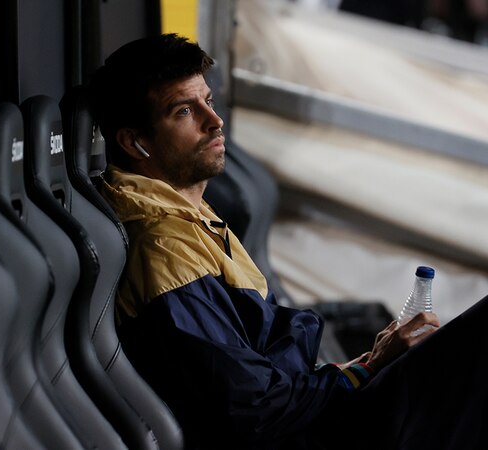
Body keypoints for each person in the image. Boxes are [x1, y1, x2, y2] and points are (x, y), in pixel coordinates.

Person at [89, 33, 488, 450]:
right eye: (185, 111)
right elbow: (254, 407)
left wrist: (364, 364)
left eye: (208, 100)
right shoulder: (163, 248)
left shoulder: (184, 217)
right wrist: (366, 370)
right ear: (133, 142)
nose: (214, 119)